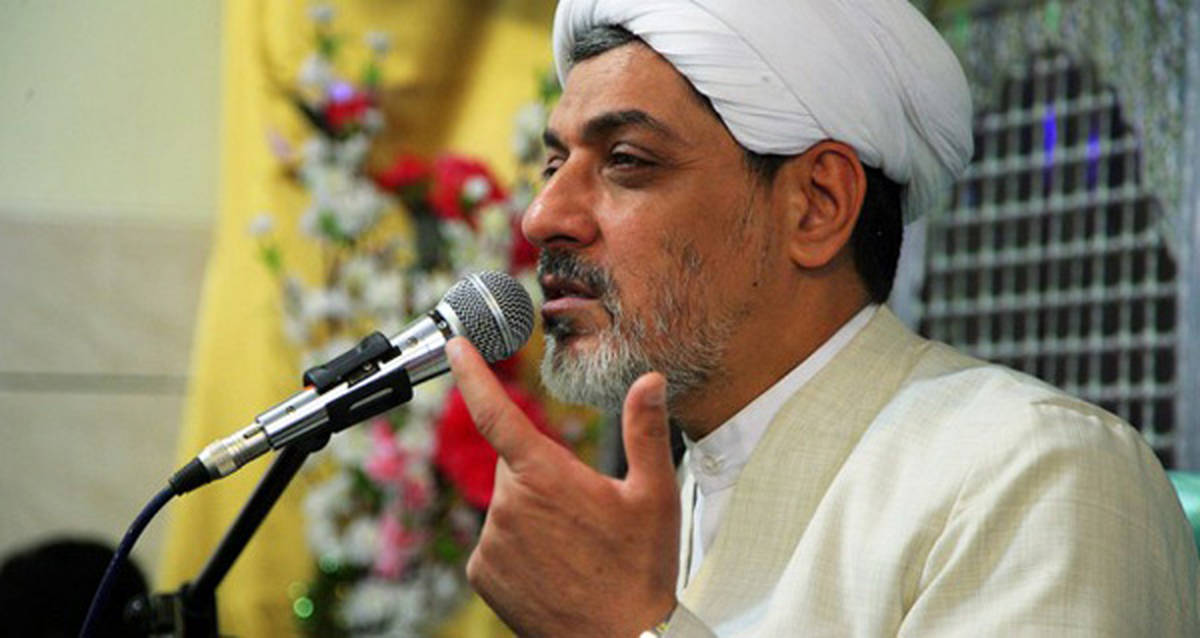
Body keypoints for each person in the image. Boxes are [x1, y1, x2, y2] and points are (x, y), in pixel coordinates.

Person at [443, 1, 1200, 636]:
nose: (543, 216)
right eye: (554, 165)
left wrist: (625, 628)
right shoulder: (685, 492)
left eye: (627, 160)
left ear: (817, 206)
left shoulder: (1032, 476)